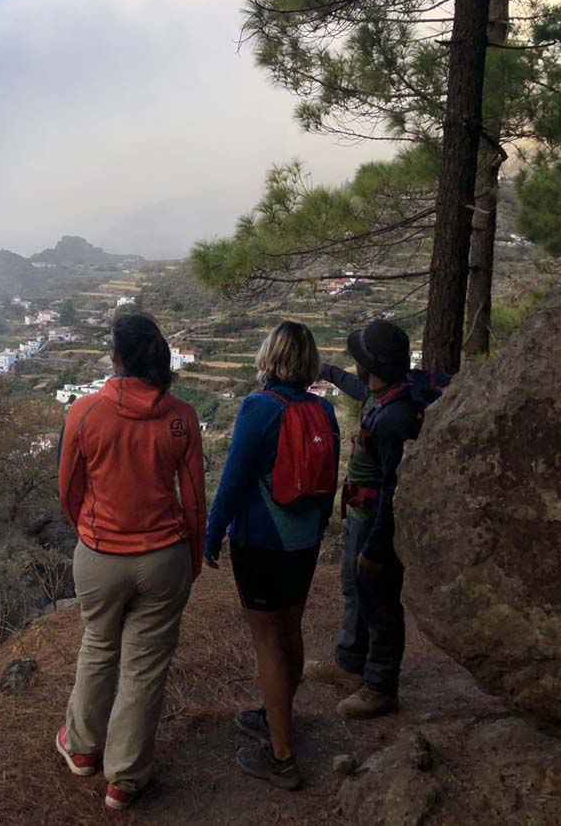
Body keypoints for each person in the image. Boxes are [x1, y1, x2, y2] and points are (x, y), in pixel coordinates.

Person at [55, 313, 207, 812]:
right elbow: (194, 501)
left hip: (100, 556)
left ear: (117, 359)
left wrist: (90, 530)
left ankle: (81, 750)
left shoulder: (84, 413)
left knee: (98, 645)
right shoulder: (181, 417)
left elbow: (69, 489)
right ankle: (124, 779)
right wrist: (193, 553)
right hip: (163, 558)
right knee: (144, 666)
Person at [204, 322, 339, 791]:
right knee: (290, 629)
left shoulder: (259, 407)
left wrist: (213, 532)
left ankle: (282, 756)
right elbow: (328, 486)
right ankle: (277, 714)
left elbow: (234, 479)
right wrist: (317, 534)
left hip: (261, 541)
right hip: (303, 542)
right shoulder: (324, 409)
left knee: (267, 640)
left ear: (270, 356)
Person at [304, 319, 426, 719]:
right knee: (356, 591)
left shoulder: (394, 418)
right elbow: (357, 388)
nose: (354, 366)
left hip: (377, 522)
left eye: (357, 359)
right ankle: (349, 665)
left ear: (370, 366)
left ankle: (380, 686)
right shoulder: (384, 395)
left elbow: (394, 488)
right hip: (362, 516)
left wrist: (376, 546)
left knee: (380, 601)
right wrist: (327, 372)